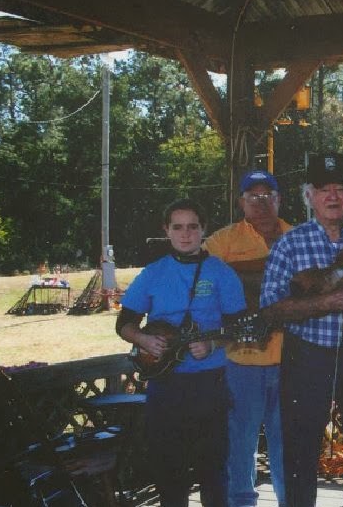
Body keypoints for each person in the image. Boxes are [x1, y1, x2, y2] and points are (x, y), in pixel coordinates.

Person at [260, 154, 343, 507]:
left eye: (340, 188)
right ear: (309, 196)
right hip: (306, 356)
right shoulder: (289, 243)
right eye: (323, 189)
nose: (333, 196)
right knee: (300, 448)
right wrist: (322, 303)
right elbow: (270, 310)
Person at [117, 198, 246, 507]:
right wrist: (144, 340)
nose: (185, 234)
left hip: (210, 384)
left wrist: (213, 344)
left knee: (213, 471)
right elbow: (124, 324)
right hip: (165, 386)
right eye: (178, 227)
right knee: (169, 472)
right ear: (166, 230)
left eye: (192, 227)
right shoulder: (153, 273)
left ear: (204, 229)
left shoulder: (221, 273)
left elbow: (239, 328)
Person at [203, 171, 291, 507]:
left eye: (268, 195)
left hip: (291, 360)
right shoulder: (222, 241)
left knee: (288, 447)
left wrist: (241, 274)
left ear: (280, 200)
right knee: (240, 447)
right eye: (253, 196)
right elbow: (206, 277)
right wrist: (272, 271)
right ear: (241, 202)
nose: (261, 203)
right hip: (240, 362)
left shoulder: (297, 236)